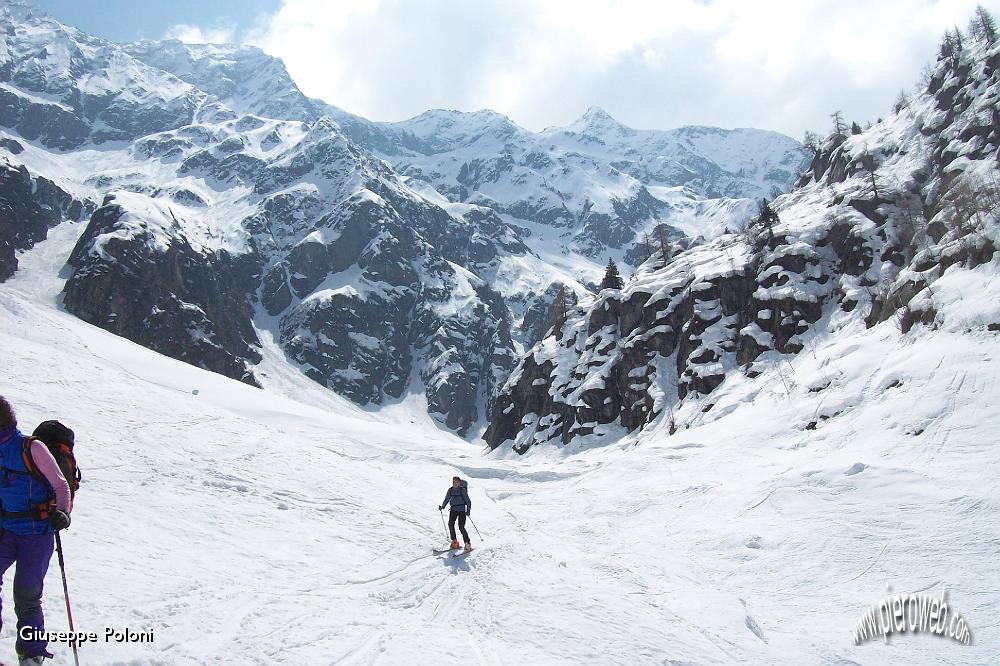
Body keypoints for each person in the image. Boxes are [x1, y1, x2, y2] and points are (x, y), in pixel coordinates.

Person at [0, 396, 72, 666]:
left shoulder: (32, 448)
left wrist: (63, 512)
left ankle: (31, 655)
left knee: (27, 595)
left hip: (36, 533)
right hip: (6, 529)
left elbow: (60, 485)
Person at [438, 476, 473, 552]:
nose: (455, 483)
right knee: (450, 524)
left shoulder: (462, 490)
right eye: (454, 482)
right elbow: (447, 499)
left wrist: (468, 511)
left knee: (461, 527)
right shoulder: (450, 490)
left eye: (456, 482)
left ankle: (467, 543)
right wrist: (443, 506)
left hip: (461, 510)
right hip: (453, 509)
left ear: (459, 483)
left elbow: (468, 501)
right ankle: (454, 542)